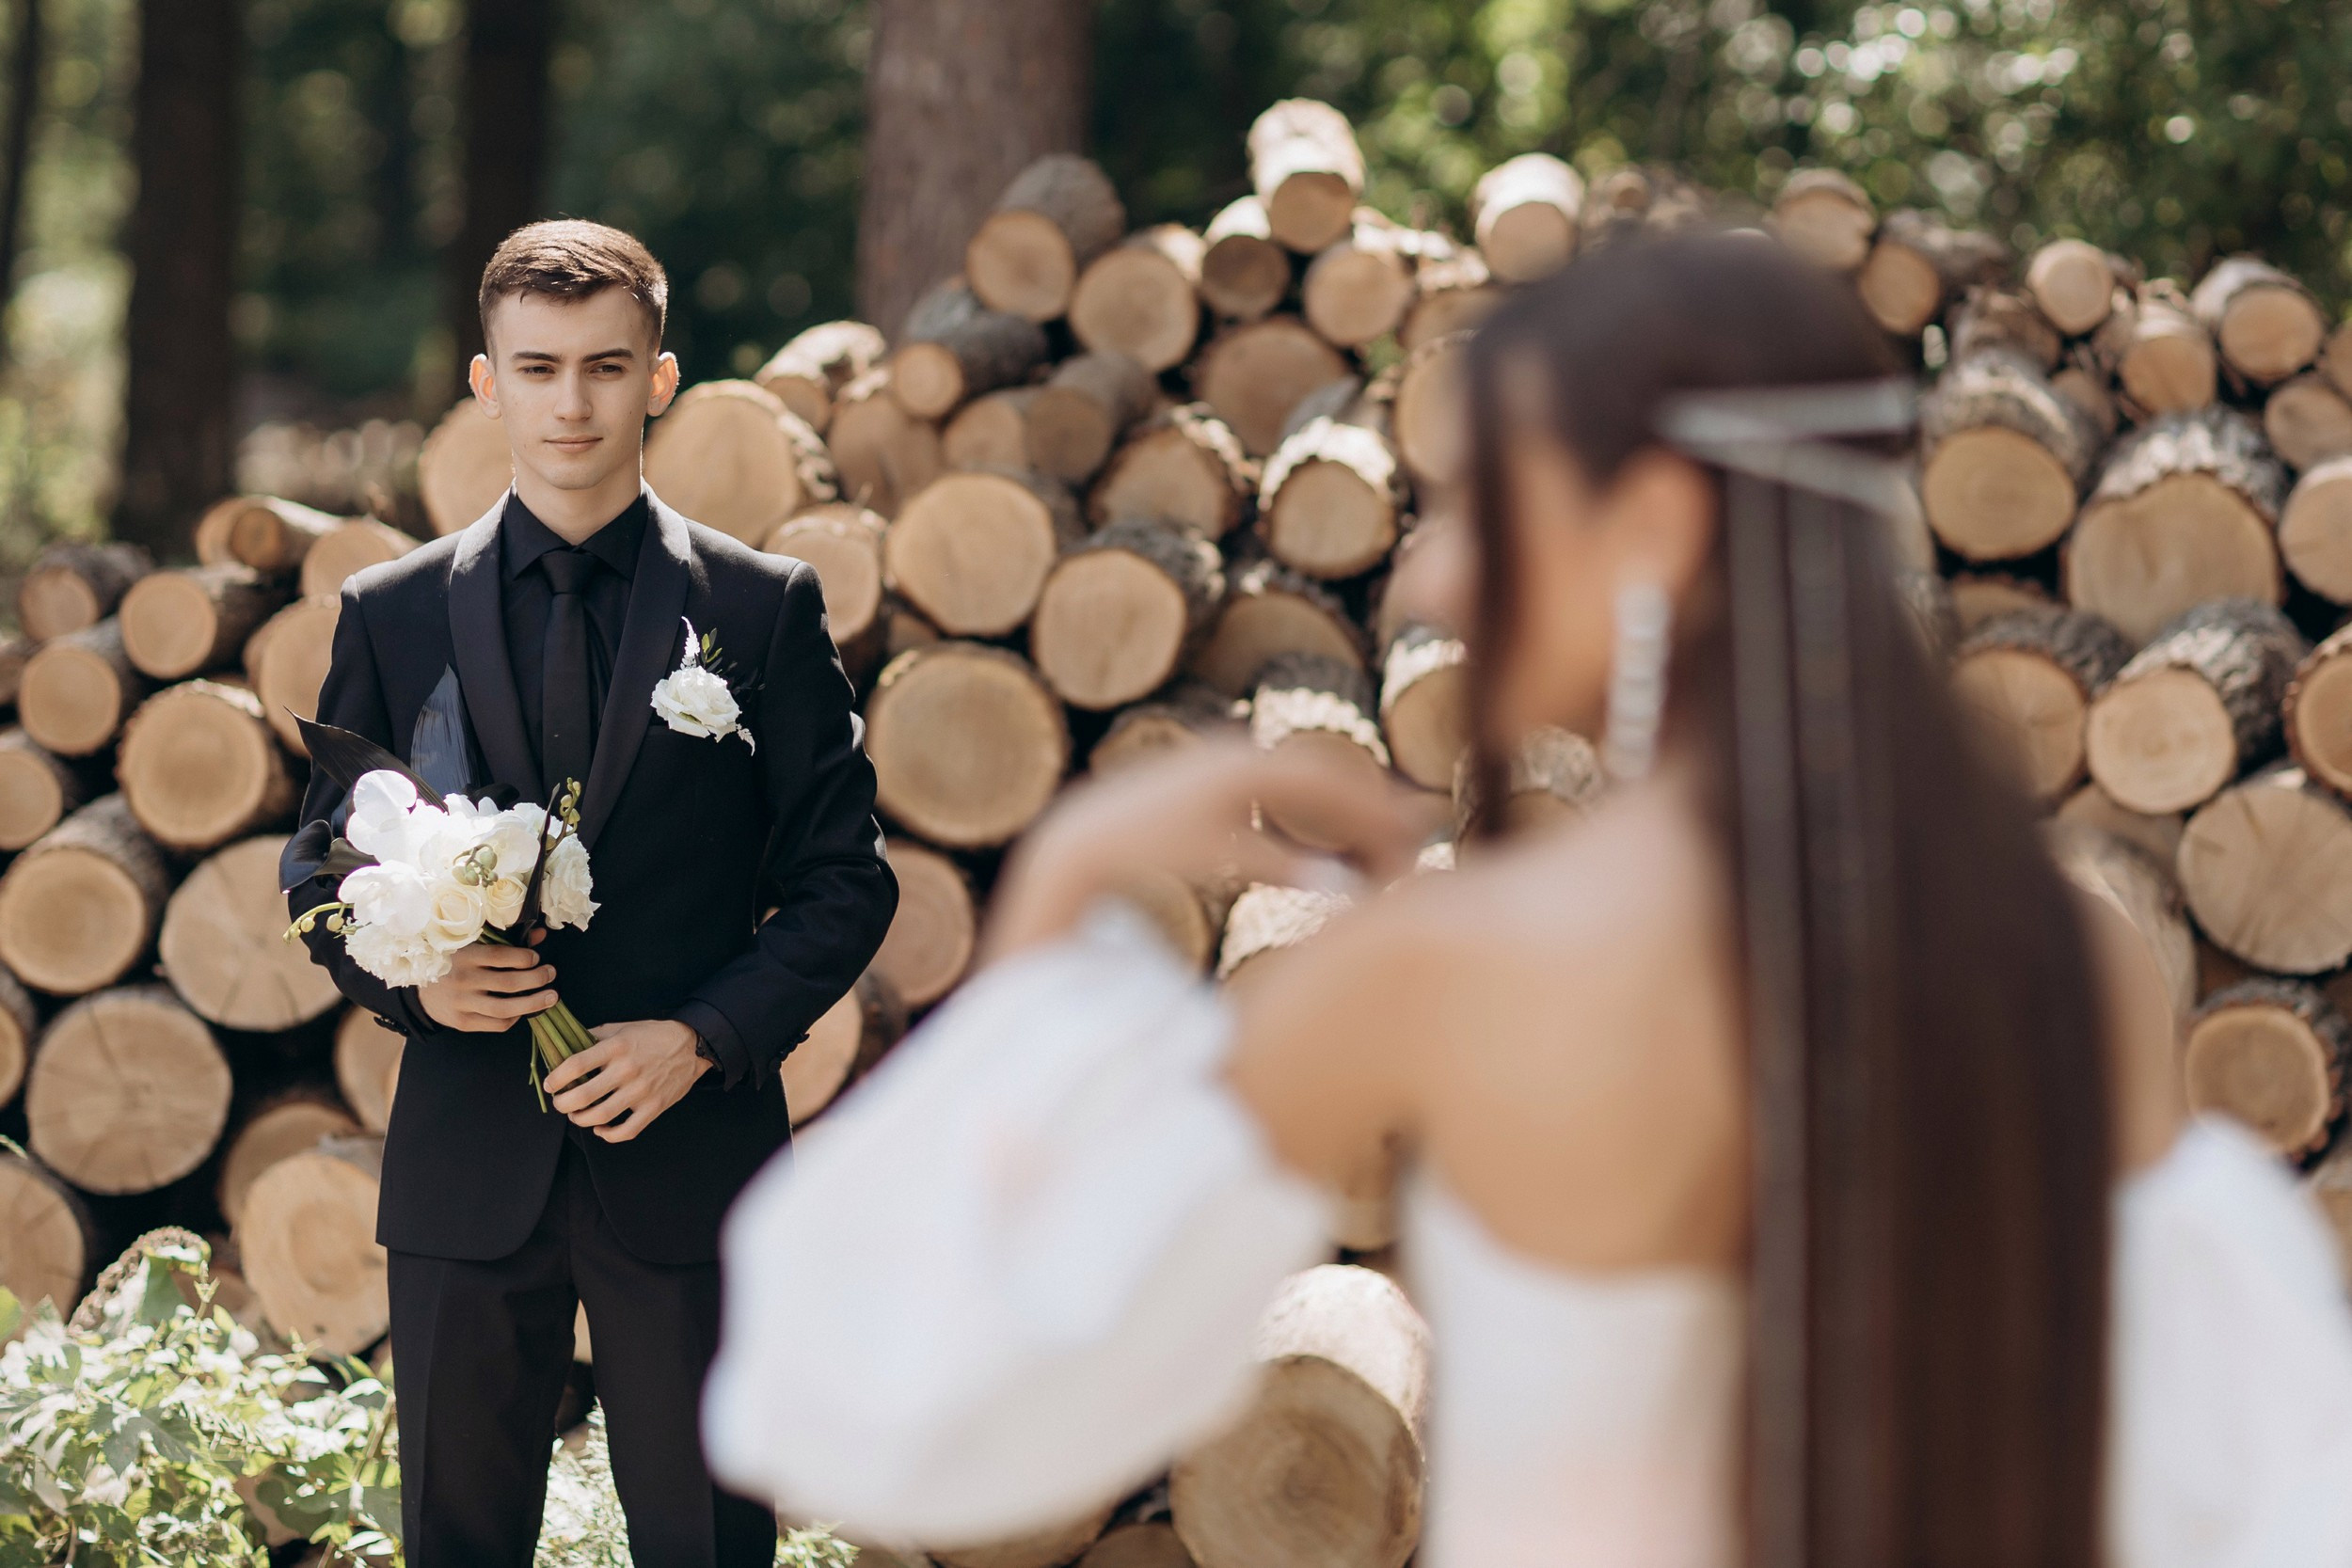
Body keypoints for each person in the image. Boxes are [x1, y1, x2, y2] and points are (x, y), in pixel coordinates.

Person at [701, 233, 2352, 1567]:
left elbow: (879, 1400)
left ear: (1649, 525)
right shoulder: (2066, 956)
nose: (1424, 569)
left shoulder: (1457, 966)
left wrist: (1062, 885)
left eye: (1487, 498)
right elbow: (2237, 1491)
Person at [284, 219, 898, 1568]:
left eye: (607, 367)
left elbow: (848, 883)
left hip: (690, 1162)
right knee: (457, 1543)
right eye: (541, 366)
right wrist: (415, 978)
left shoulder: (764, 606)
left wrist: (701, 1039)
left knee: (708, 1545)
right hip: (465, 1169)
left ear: (659, 381)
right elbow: (317, 864)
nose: (574, 401)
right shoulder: (388, 615)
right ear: (486, 381)